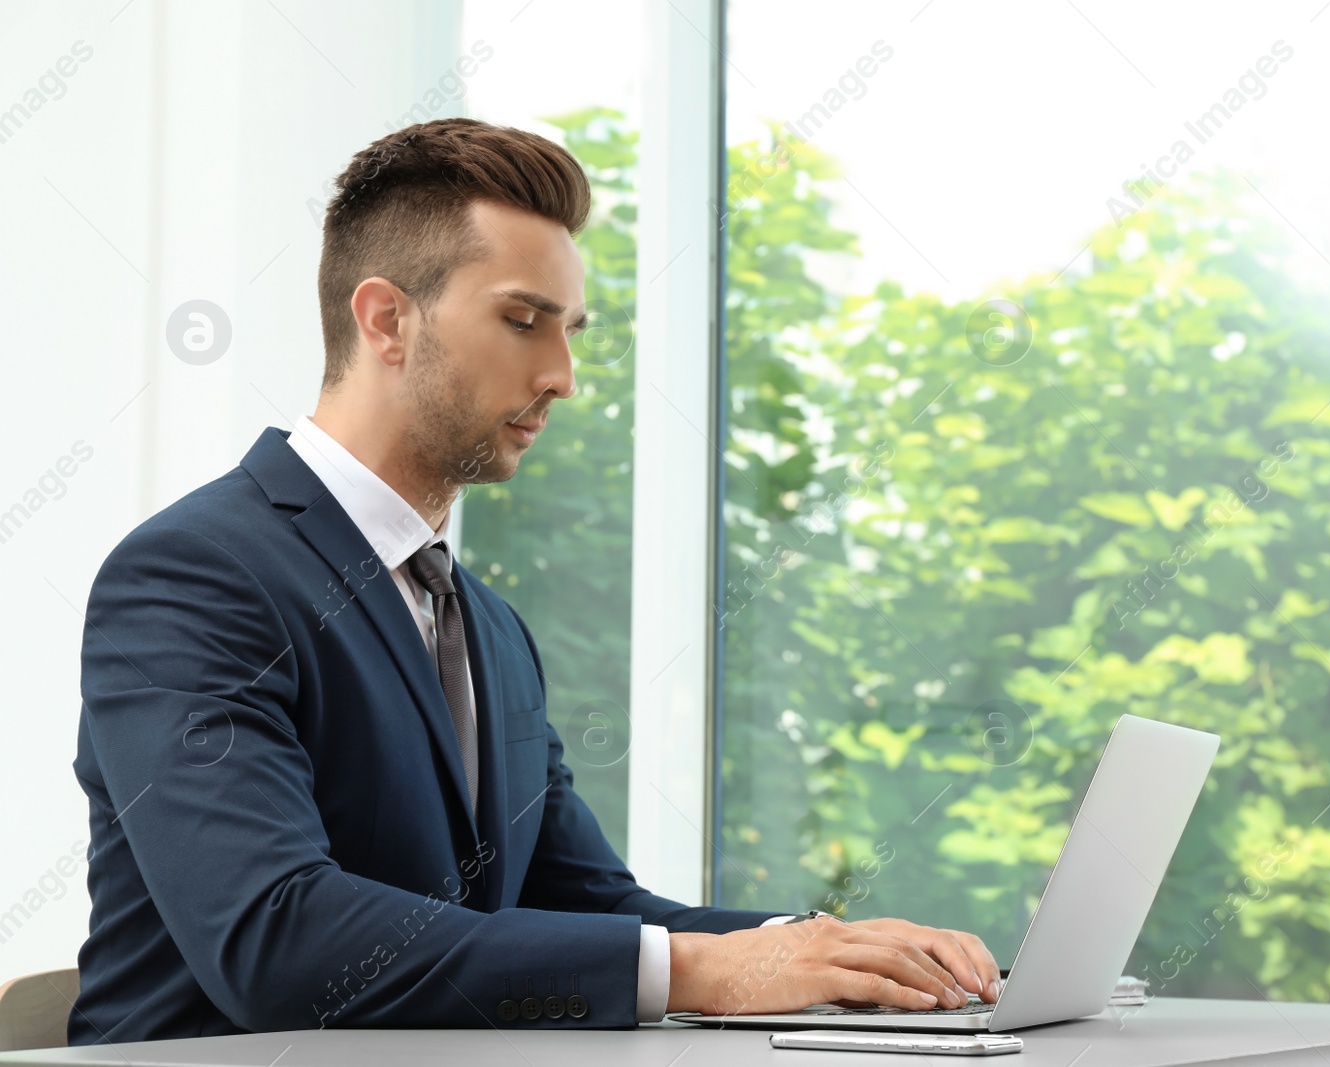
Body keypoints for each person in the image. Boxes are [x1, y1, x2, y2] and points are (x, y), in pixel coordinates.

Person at [70, 117, 999, 1044]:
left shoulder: (488, 625)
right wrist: (701, 970)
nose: (563, 375)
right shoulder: (193, 577)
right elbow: (275, 939)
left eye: (571, 331)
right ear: (386, 319)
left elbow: (589, 899)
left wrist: (826, 950)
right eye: (523, 321)